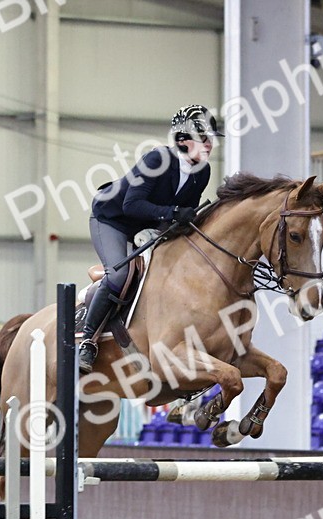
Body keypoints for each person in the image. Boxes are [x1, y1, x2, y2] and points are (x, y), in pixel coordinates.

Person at [78, 104, 224, 374]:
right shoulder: (157, 160)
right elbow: (131, 205)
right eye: (203, 139)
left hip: (148, 226)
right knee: (120, 276)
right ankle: (88, 340)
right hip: (112, 220)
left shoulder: (202, 172)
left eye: (210, 140)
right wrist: (173, 213)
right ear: (182, 139)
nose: (209, 145)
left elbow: (182, 217)